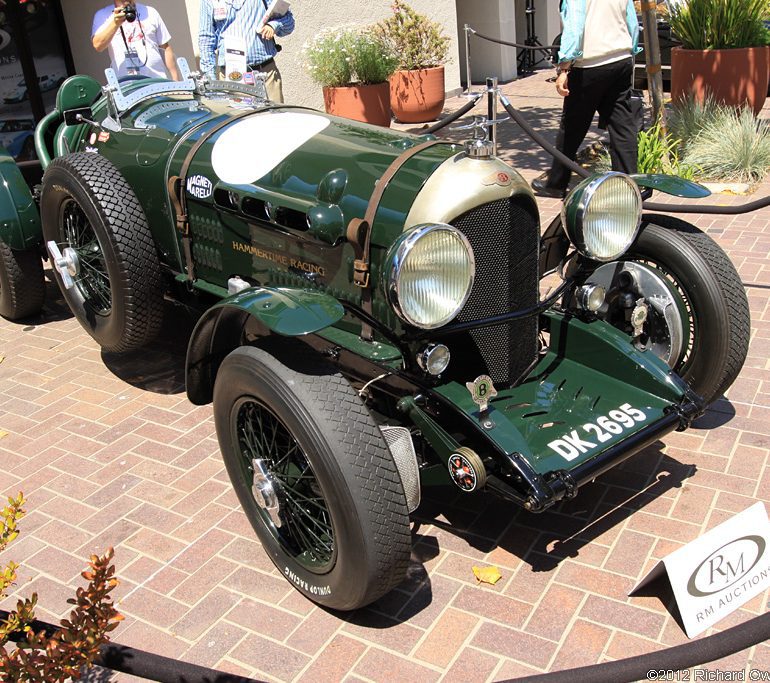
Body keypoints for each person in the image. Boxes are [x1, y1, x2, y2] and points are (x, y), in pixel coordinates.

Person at [531, 0, 640, 198]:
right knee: (622, 127)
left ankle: (556, 184)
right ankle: (629, 185)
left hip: (589, 64)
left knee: (571, 129)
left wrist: (564, 68)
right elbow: (631, 21)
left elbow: (574, 26)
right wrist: (630, 49)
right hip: (621, 59)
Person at [198, 0, 295, 103]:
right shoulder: (208, 1)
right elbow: (206, 39)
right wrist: (211, 82)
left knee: (274, 117)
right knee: (241, 119)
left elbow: (289, 22)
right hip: (232, 79)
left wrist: (273, 25)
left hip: (265, 74)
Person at [92, 1, 180, 81]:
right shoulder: (102, 15)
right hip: (127, 87)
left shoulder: (151, 12)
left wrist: (176, 80)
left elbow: (165, 48)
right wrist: (115, 24)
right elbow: (98, 45)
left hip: (157, 81)